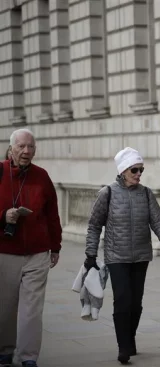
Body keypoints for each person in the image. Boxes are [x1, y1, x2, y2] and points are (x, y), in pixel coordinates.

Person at [84, 147, 160, 364]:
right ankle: (123, 346)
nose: (138, 174)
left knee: (136, 303)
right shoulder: (107, 193)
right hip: (116, 257)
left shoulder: (146, 193)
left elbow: (158, 222)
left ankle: (130, 337)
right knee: (123, 301)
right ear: (123, 170)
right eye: (135, 169)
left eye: (141, 170)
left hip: (141, 256)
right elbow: (94, 225)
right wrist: (90, 254)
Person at [0, 129, 62, 367]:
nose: (27, 152)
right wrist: (4, 215)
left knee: (32, 309)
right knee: (5, 307)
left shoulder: (41, 176)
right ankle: (5, 350)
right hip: (5, 251)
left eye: (31, 147)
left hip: (37, 252)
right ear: (11, 147)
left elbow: (52, 215)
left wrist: (55, 246)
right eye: (22, 146)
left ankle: (28, 357)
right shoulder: (0, 172)